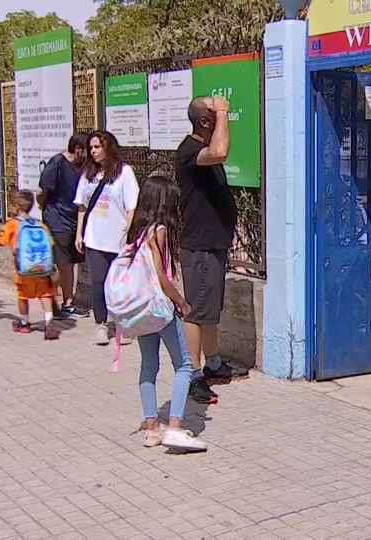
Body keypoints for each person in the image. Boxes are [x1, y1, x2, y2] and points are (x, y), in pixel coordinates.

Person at [124, 176, 207, 451]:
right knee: (184, 365)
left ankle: (151, 429)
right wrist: (181, 301)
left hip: (141, 309)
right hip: (161, 308)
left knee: (149, 366)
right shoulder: (158, 231)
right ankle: (174, 427)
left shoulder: (135, 229)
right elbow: (161, 275)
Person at [176, 96, 249, 405]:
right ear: (206, 122)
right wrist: (223, 112)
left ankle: (214, 363)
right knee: (195, 311)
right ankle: (191, 375)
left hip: (212, 244)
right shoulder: (190, 151)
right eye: (215, 115)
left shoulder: (199, 150)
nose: (222, 115)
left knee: (209, 310)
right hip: (200, 246)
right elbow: (219, 151)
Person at [73, 130, 140, 345]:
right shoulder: (88, 174)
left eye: (97, 147)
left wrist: (128, 234)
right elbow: (82, 206)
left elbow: (132, 207)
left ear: (108, 147)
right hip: (94, 239)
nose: (93, 151)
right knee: (98, 281)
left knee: (120, 284)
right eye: (91, 148)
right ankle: (100, 324)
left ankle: (124, 325)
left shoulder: (124, 172)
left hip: (118, 239)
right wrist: (79, 233)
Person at [0, 190, 60, 340]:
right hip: (42, 267)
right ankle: (49, 322)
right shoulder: (40, 224)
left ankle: (24, 323)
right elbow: (51, 243)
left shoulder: (12, 225)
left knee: (22, 296)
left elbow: (1, 241)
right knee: (45, 294)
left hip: (23, 269)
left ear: (16, 206)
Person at [38, 132, 89, 318]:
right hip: (57, 220)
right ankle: (57, 300)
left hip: (75, 221)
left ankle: (63, 300)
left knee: (69, 264)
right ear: (78, 149)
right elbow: (43, 192)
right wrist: (45, 211)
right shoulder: (57, 163)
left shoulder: (83, 166)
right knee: (63, 264)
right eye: (87, 150)